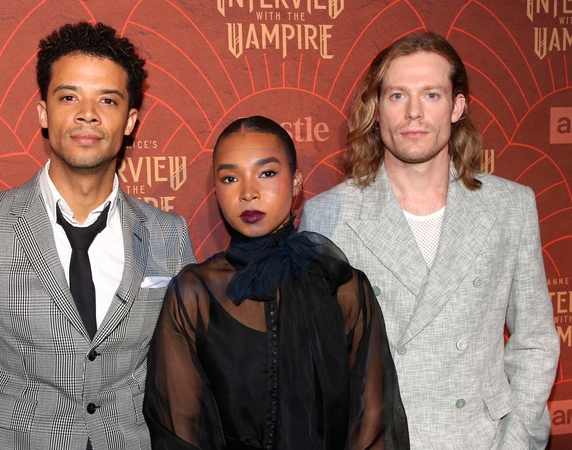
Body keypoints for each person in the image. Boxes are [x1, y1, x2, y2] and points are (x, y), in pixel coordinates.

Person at [0, 22, 195, 450]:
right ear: (44, 112)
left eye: (107, 99)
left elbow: (180, 367)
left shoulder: (168, 234)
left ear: (129, 121)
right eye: (69, 97)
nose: (88, 113)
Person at [300, 32, 559, 449]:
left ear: (457, 107)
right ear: (377, 109)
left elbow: (535, 343)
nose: (414, 113)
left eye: (432, 95)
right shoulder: (331, 214)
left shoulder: (510, 206)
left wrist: (516, 441)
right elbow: (314, 362)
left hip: (484, 438)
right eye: (397, 95)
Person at [143, 115, 409, 450]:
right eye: (230, 178)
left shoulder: (342, 287)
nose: (248, 193)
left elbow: (372, 426)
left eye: (266, 173)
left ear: (296, 182)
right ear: (217, 190)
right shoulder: (194, 294)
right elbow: (178, 428)